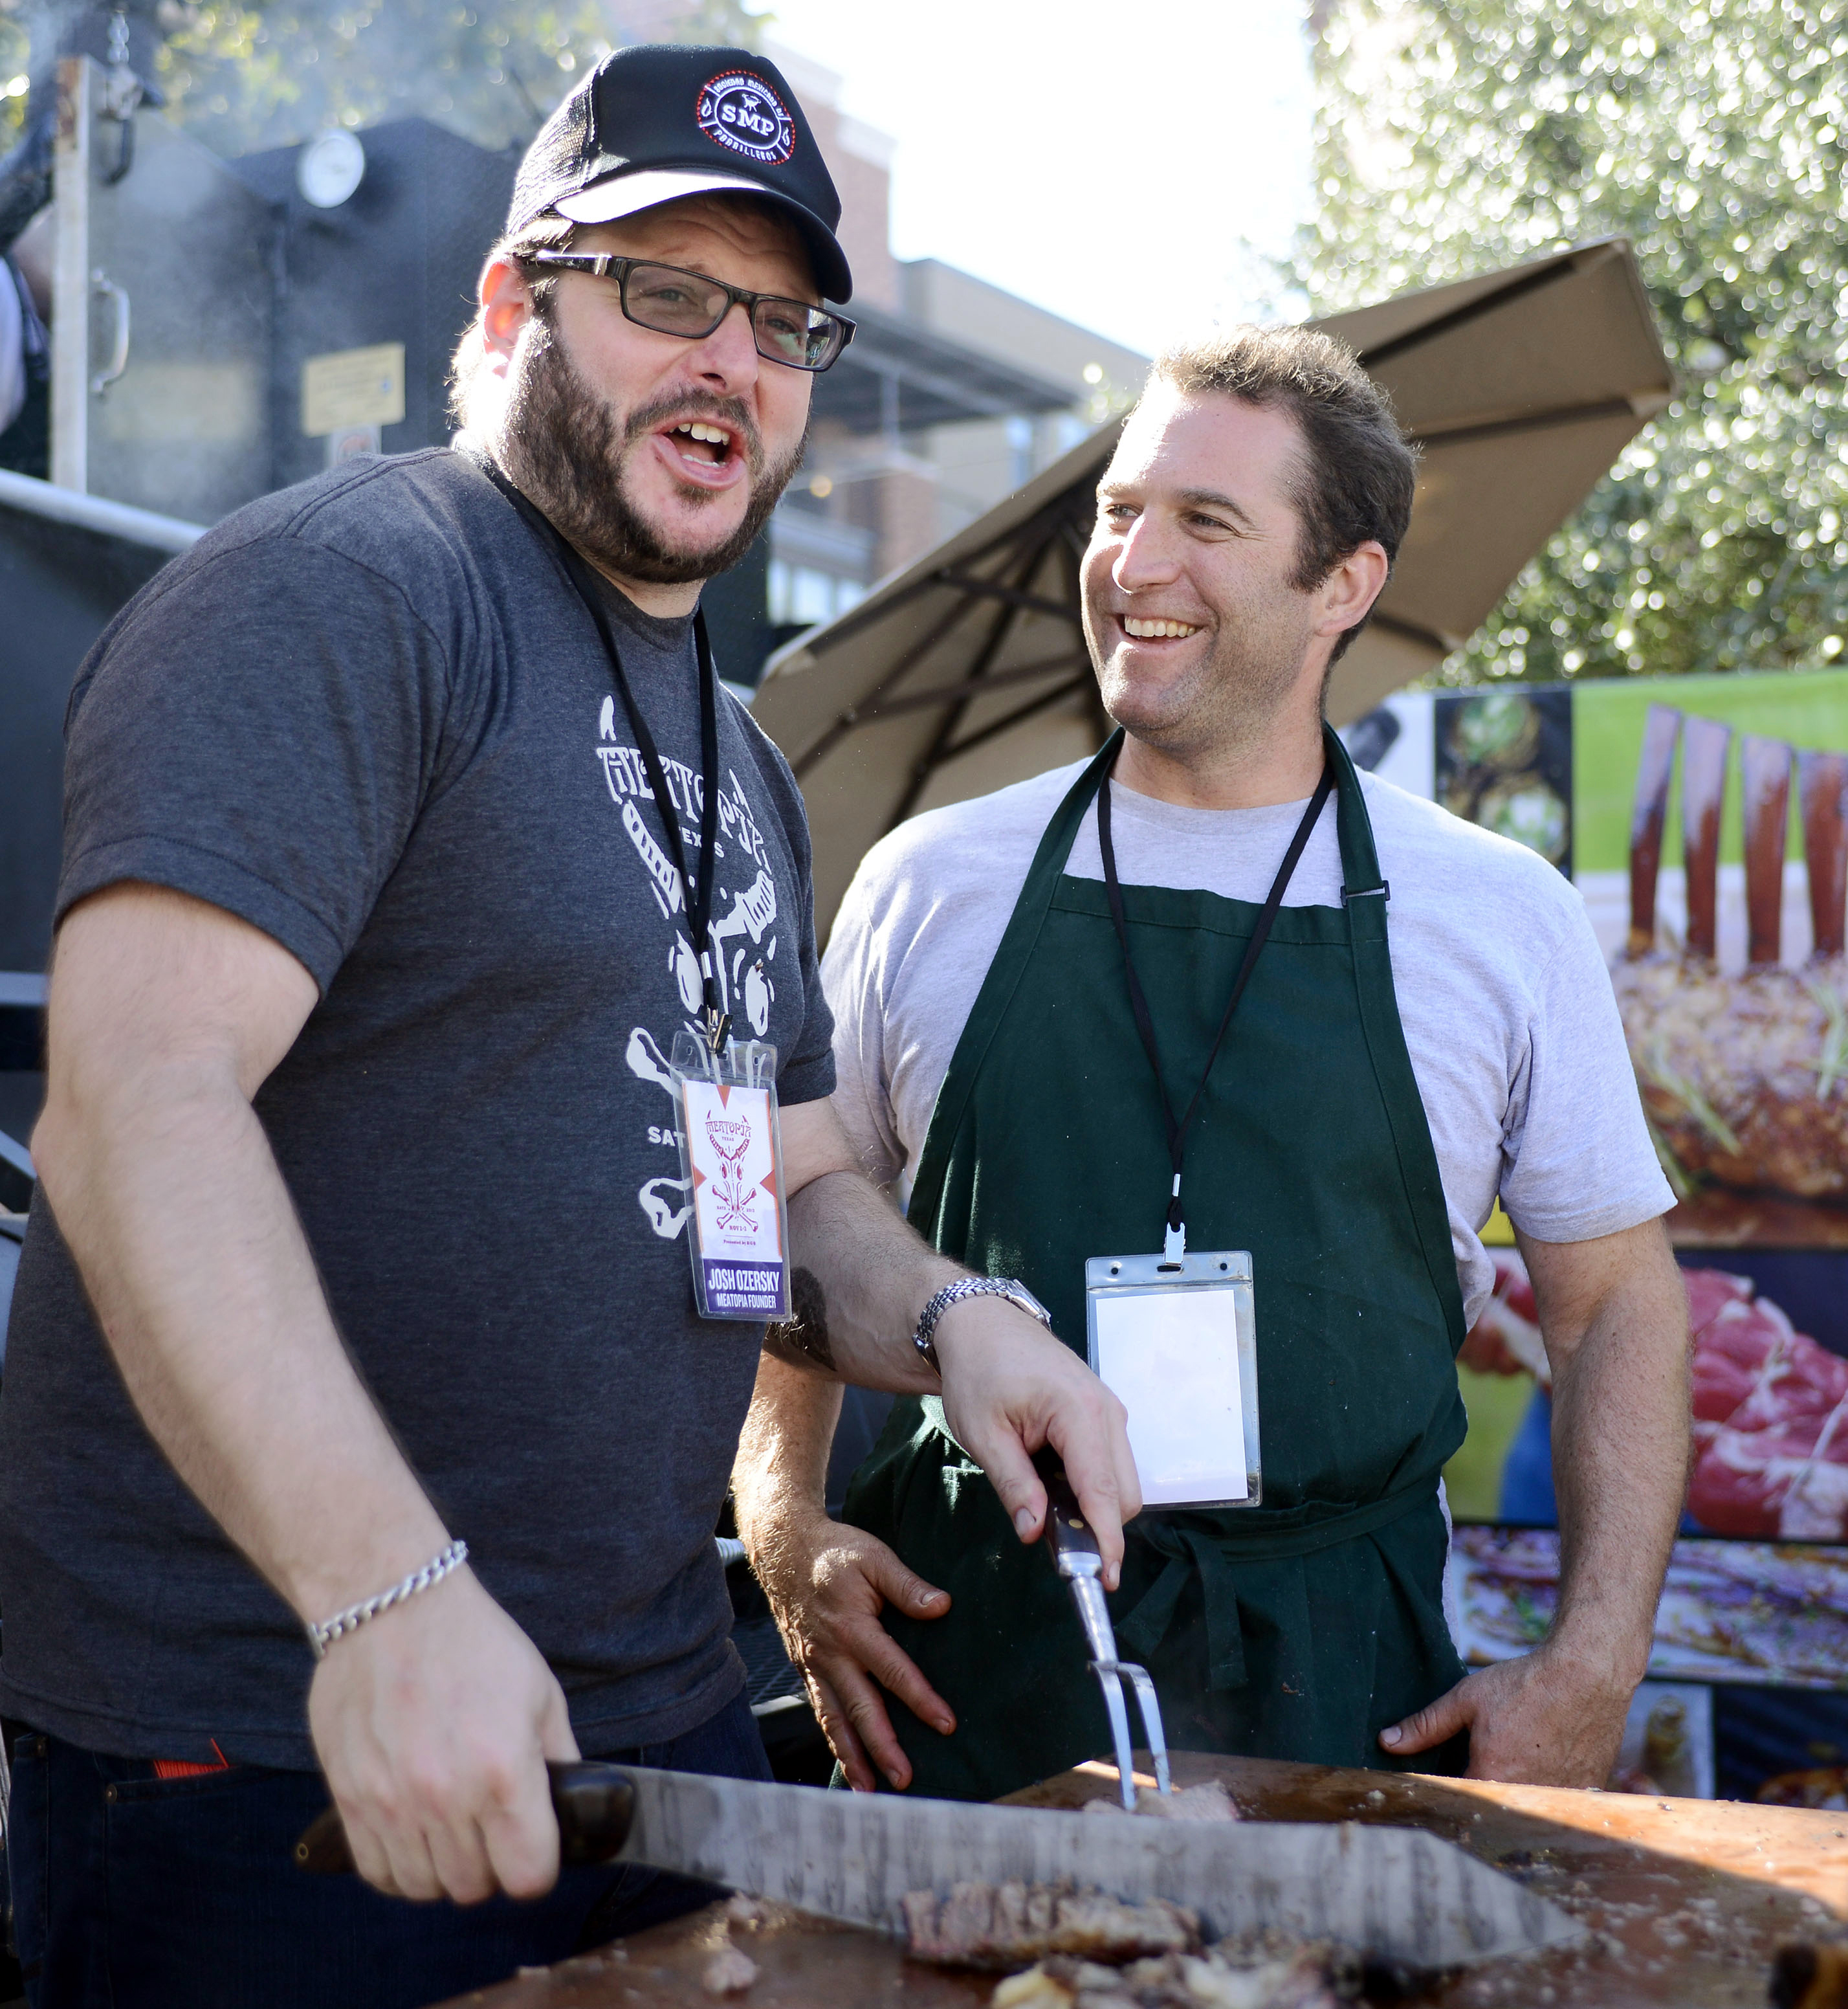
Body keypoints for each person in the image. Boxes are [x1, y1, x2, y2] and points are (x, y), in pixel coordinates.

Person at [0, 43, 1136, 2008]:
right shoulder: (351, 594)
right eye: (666, 294)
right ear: (514, 305)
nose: (733, 367)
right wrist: (385, 1593)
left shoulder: (747, 763)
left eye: (784, 323)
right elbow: (133, 1106)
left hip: (654, 1729)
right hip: (286, 1742)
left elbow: (781, 1182)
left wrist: (958, 1318)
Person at [732, 326, 1692, 1804]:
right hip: (964, 1671)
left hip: (1345, 1682)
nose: (1134, 563)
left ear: (1344, 585)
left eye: (1206, 521)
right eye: (1120, 510)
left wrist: (1595, 1658)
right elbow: (797, 1217)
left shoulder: (1496, 913)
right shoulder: (933, 879)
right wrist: (786, 1519)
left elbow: (1619, 1300)